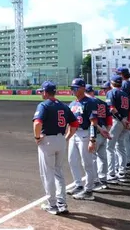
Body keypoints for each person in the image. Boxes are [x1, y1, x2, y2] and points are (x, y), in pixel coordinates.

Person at [33, 81, 78, 215]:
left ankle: (52, 205)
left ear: (46, 92)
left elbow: (37, 123)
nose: (41, 93)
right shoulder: (64, 106)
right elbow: (75, 124)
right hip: (61, 140)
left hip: (47, 141)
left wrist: (36, 137)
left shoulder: (44, 105)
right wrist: (67, 137)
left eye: (42, 91)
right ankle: (62, 203)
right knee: (59, 172)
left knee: (48, 173)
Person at [66, 78, 101, 201]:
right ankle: (78, 185)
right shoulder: (72, 104)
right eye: (72, 88)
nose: (73, 90)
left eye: (75, 88)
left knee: (87, 163)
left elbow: (93, 122)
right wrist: (67, 137)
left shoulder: (90, 102)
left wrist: (92, 139)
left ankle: (89, 190)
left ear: (82, 88)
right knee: (72, 160)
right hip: (74, 134)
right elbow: (70, 124)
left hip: (85, 134)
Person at [105, 75, 130, 183]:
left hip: (117, 121)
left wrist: (121, 119)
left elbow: (111, 108)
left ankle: (111, 174)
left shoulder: (111, 92)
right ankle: (121, 171)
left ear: (112, 83)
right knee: (120, 147)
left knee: (109, 147)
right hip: (125, 120)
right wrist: (127, 121)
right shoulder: (125, 94)